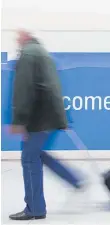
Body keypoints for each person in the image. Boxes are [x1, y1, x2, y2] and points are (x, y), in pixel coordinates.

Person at [8, 29, 86, 221]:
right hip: (50, 117)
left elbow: (24, 89)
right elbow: (53, 88)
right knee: (38, 154)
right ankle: (75, 180)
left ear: (24, 39)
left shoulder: (28, 55)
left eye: (18, 38)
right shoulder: (44, 54)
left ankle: (34, 208)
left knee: (29, 158)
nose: (16, 41)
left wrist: (20, 121)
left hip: (39, 119)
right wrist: (62, 118)